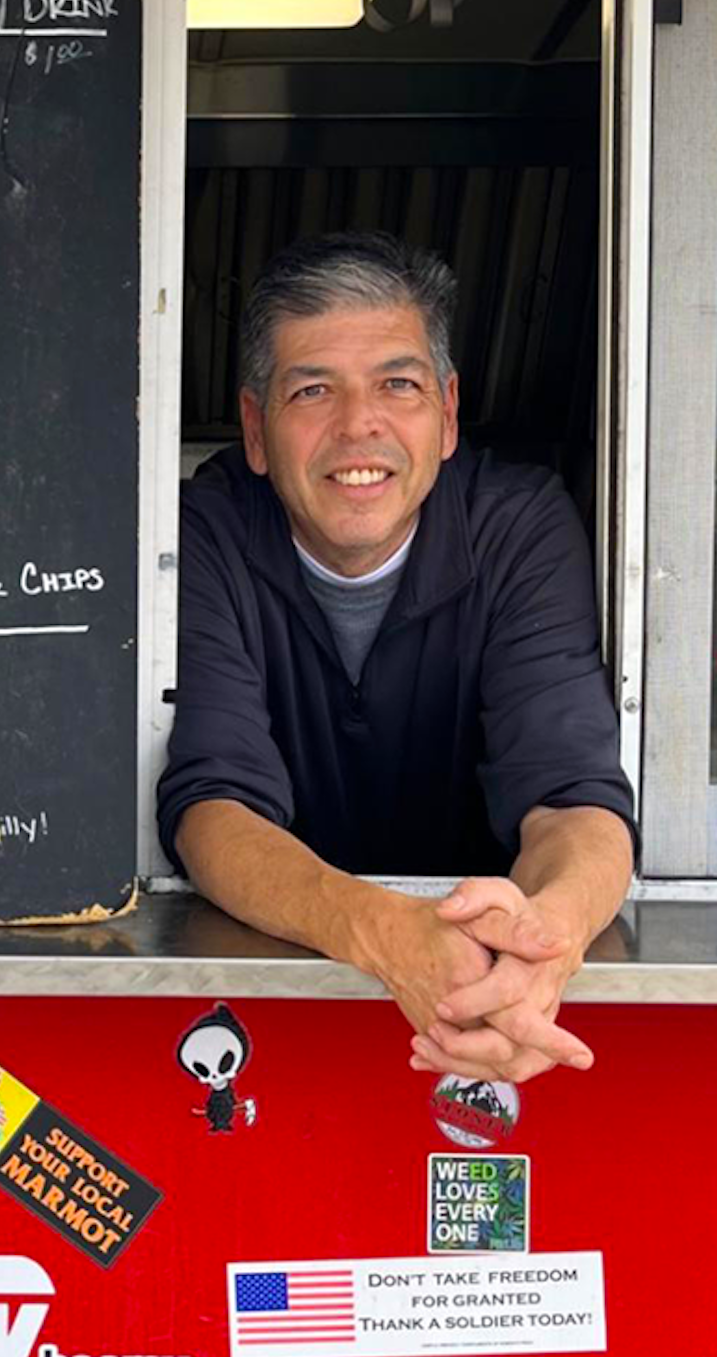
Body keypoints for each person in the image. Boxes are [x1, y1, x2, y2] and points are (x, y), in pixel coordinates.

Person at [157, 233, 633, 1085]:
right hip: (272, 1012)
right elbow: (212, 809)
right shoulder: (206, 532)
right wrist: (385, 934)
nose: (359, 425)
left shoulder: (516, 526)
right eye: (312, 390)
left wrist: (544, 945)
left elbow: (572, 799)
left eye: (398, 385)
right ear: (257, 431)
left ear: (448, 414)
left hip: (480, 997)